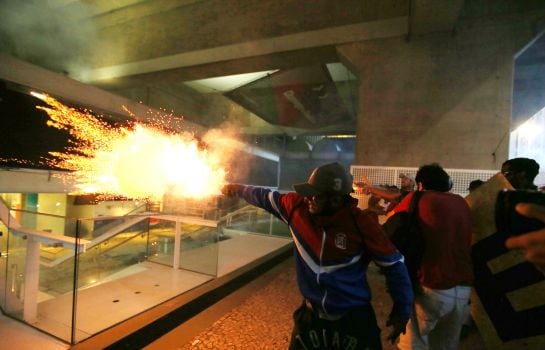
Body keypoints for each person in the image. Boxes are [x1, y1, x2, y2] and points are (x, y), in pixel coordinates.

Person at [222, 162, 413, 350]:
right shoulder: (297, 207)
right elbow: (263, 196)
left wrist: (402, 310)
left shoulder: (362, 224)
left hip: (354, 320)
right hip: (310, 317)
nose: (309, 198)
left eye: (317, 195)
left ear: (336, 200)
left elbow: (394, 265)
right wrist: (237, 188)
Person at [390, 163, 473, 350]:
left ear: (420, 184)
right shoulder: (461, 202)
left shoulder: (417, 198)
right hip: (463, 290)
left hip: (431, 286)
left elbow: (392, 224)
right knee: (444, 346)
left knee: (414, 344)